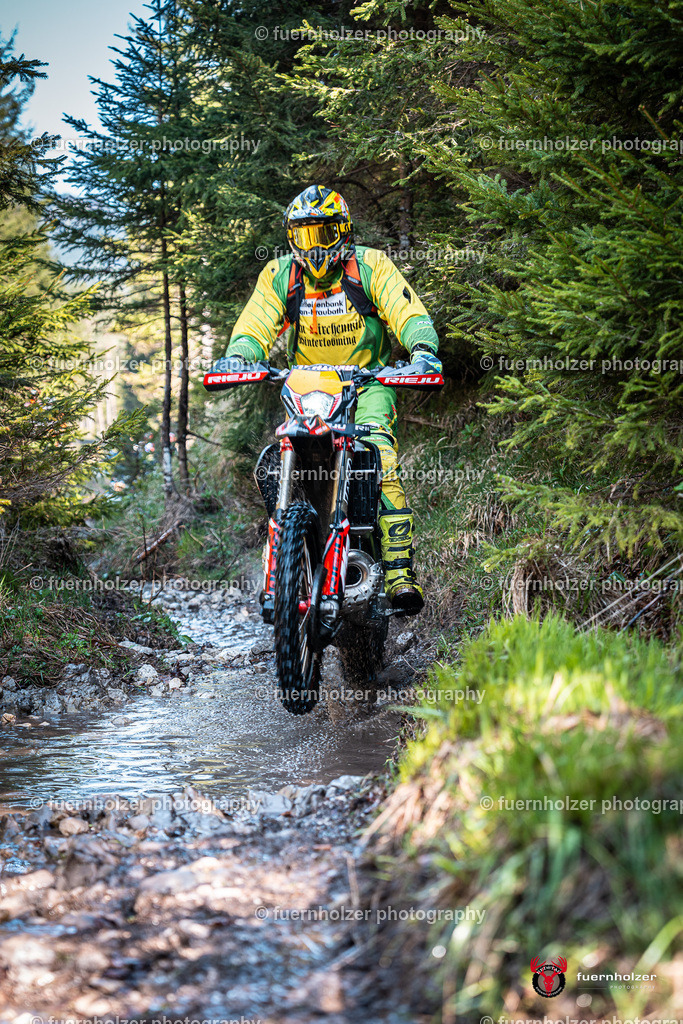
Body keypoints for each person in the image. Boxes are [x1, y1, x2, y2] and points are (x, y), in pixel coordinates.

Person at [224, 184, 442, 614]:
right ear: (291, 238)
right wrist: (238, 356)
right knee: (280, 460)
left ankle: (399, 574)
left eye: (323, 234)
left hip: (368, 384)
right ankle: (287, 563)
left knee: (379, 455)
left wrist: (422, 350)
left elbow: (407, 311)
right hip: (307, 387)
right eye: (304, 235)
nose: (314, 246)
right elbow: (255, 323)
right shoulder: (282, 275)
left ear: (343, 232)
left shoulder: (369, 266)